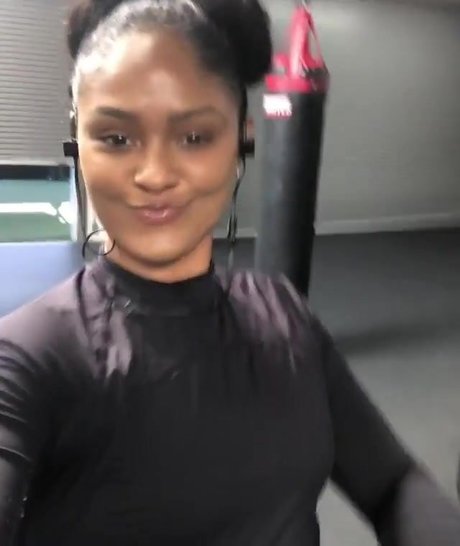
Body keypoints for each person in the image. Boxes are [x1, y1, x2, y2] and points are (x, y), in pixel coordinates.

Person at [0, 0, 459, 544]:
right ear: (79, 140)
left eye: (194, 137)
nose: (155, 174)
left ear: (242, 137)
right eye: (116, 138)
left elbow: (393, 482)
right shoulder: (30, 355)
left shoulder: (284, 314)